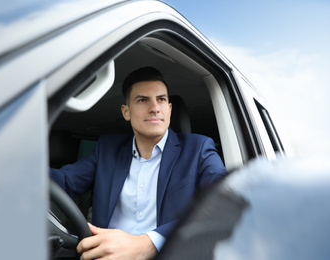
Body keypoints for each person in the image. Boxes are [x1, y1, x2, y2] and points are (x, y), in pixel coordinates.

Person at [50, 67, 227, 259]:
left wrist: (148, 244)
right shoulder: (108, 149)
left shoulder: (199, 149)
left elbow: (224, 204)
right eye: (143, 100)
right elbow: (63, 181)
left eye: (161, 99)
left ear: (169, 108)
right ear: (126, 112)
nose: (154, 107)